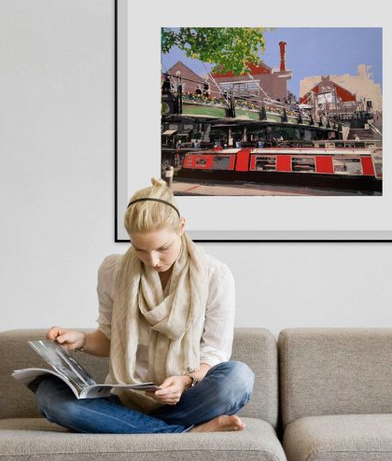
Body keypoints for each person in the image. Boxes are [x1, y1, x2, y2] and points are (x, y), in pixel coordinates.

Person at [33, 179, 254, 434]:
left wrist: (184, 381)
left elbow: (214, 353)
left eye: (163, 248)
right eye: (140, 250)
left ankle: (131, 428)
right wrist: (80, 339)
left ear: (181, 227)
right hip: (124, 399)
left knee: (239, 378)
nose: (153, 260)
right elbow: (110, 339)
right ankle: (185, 433)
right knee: (48, 395)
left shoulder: (215, 275)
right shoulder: (113, 271)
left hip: (186, 398)